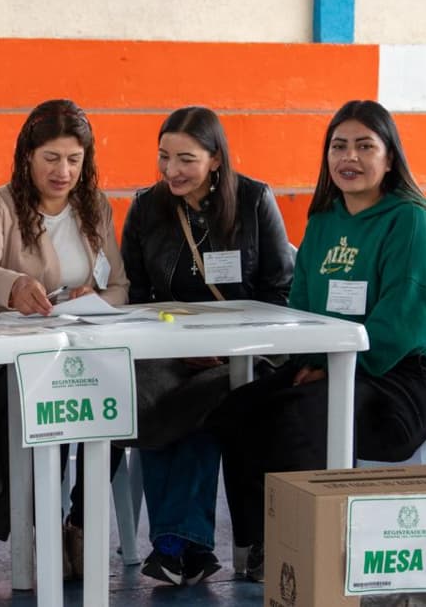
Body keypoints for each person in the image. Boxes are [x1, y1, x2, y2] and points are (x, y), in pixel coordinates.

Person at [214, 99, 426, 583]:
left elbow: (410, 319)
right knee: (237, 411)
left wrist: (334, 366)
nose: (350, 157)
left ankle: (317, 555)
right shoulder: (325, 219)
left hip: (405, 376)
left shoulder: (411, 222)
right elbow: (302, 304)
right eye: (339, 146)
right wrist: (314, 359)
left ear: (390, 158)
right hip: (330, 361)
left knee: (302, 413)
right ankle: (261, 544)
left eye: (365, 146)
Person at [120, 105, 294, 586]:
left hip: (247, 352)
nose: (172, 170)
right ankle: (186, 548)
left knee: (207, 399)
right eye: (164, 157)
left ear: (216, 159)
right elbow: (137, 297)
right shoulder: (146, 208)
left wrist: (232, 348)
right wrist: (176, 348)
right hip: (171, 352)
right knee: (146, 398)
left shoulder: (255, 200)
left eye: (186, 159)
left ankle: (177, 544)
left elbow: (280, 291)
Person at [0, 99, 130, 578]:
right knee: (50, 406)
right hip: (15, 358)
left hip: (84, 348)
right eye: (51, 158)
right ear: (27, 156)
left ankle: (79, 521)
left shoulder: (95, 207)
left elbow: (119, 286)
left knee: (119, 402)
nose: (63, 171)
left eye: (74, 160)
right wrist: (13, 286)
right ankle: (45, 527)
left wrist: (93, 296)